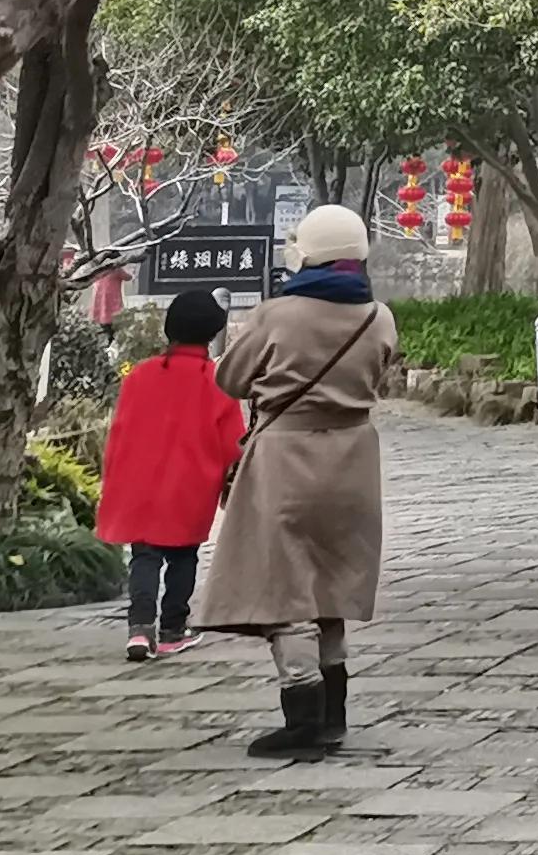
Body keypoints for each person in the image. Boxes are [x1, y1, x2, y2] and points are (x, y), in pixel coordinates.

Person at [194, 203, 390, 758]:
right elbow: (381, 372)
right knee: (331, 583)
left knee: (285, 587)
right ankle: (334, 714)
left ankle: (302, 715)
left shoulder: (276, 315)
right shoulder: (378, 316)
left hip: (286, 457)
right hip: (353, 459)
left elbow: (230, 379)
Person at [95, 287, 243, 662]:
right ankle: (173, 629)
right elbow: (233, 444)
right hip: (190, 487)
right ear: (212, 332)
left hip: (140, 483)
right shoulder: (218, 381)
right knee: (183, 557)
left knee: (144, 557)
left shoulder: (140, 376)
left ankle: (139, 630)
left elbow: (119, 433)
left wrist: (113, 478)